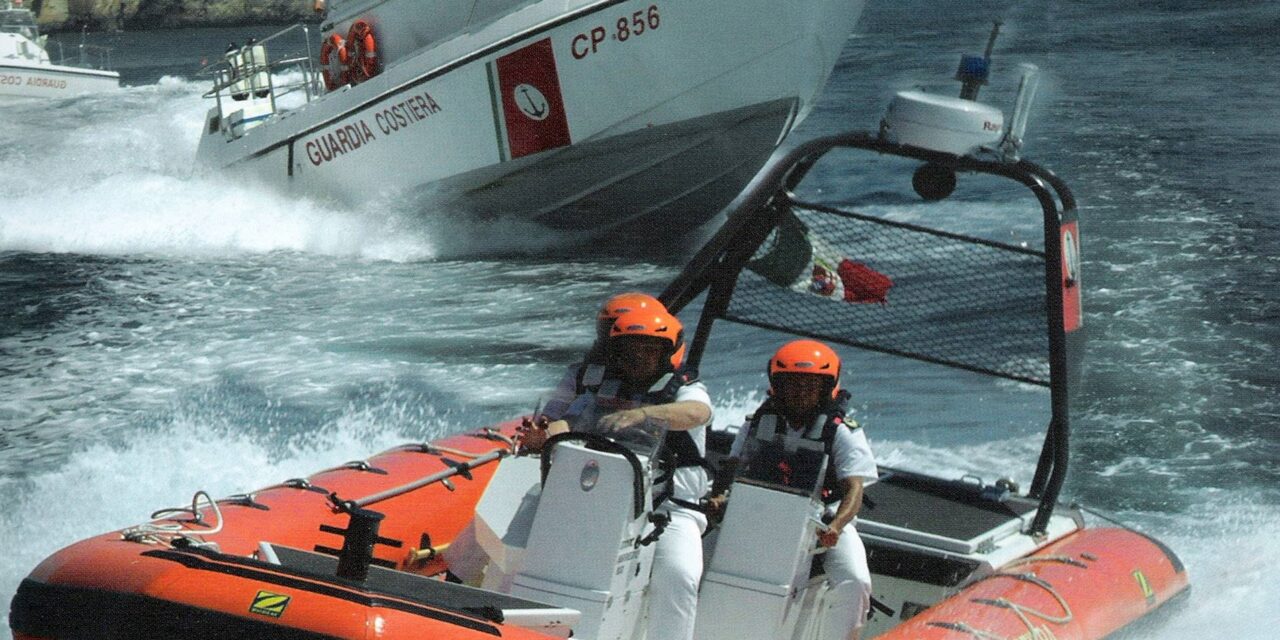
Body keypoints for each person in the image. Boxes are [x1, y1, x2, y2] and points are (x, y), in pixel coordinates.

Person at [522, 307, 713, 640]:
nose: (638, 357)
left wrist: (643, 415)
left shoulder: (686, 389)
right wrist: (545, 437)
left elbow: (698, 413)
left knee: (679, 576)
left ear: (664, 353)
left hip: (671, 509)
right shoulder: (601, 388)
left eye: (648, 350)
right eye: (629, 350)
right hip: (602, 498)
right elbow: (567, 422)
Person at [727, 339, 878, 640]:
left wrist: (836, 526)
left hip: (822, 519)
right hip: (761, 510)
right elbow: (732, 468)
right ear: (777, 385)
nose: (800, 393)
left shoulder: (841, 430)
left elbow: (854, 489)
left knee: (856, 580)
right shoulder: (758, 423)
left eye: (810, 386)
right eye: (792, 384)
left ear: (826, 388)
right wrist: (719, 497)